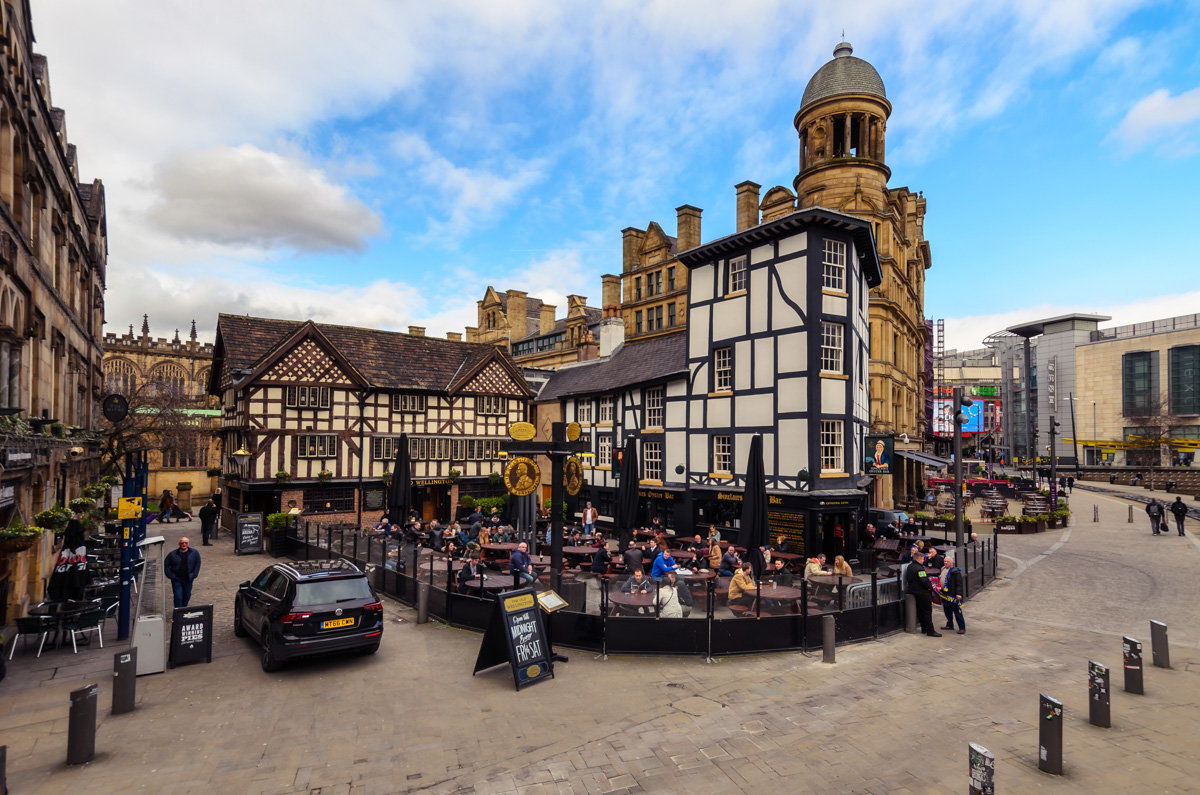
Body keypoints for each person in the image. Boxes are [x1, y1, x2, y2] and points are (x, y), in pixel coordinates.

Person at [904, 549, 940, 636]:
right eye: (922, 559)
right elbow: (924, 581)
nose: (924, 560)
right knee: (927, 612)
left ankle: (924, 628)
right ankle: (930, 631)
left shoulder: (910, 566)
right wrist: (929, 587)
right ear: (918, 559)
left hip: (914, 592)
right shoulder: (920, 569)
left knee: (920, 611)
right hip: (922, 593)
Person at [164, 536, 201, 609]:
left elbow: (198, 563)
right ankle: (178, 612)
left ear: (188, 544)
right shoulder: (173, 554)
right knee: (178, 596)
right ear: (179, 544)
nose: (184, 544)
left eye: (186, 543)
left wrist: (194, 574)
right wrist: (171, 575)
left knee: (187, 595)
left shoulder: (194, 553)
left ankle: (183, 609)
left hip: (188, 578)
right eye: (182, 543)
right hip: (177, 579)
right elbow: (166, 564)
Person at [939, 554, 965, 634]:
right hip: (945, 594)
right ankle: (949, 625)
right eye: (945, 561)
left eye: (947, 561)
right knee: (947, 611)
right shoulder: (943, 569)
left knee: (957, 612)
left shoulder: (955, 572)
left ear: (952, 563)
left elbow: (959, 584)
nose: (946, 562)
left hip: (953, 595)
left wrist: (959, 594)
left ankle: (962, 628)